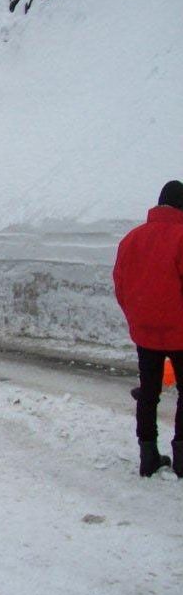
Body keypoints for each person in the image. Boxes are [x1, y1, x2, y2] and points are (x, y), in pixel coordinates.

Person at [112, 180, 183, 478]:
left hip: (145, 333)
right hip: (180, 333)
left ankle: (148, 456)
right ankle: (182, 458)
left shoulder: (131, 239)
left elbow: (121, 285)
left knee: (149, 393)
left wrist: (136, 317)